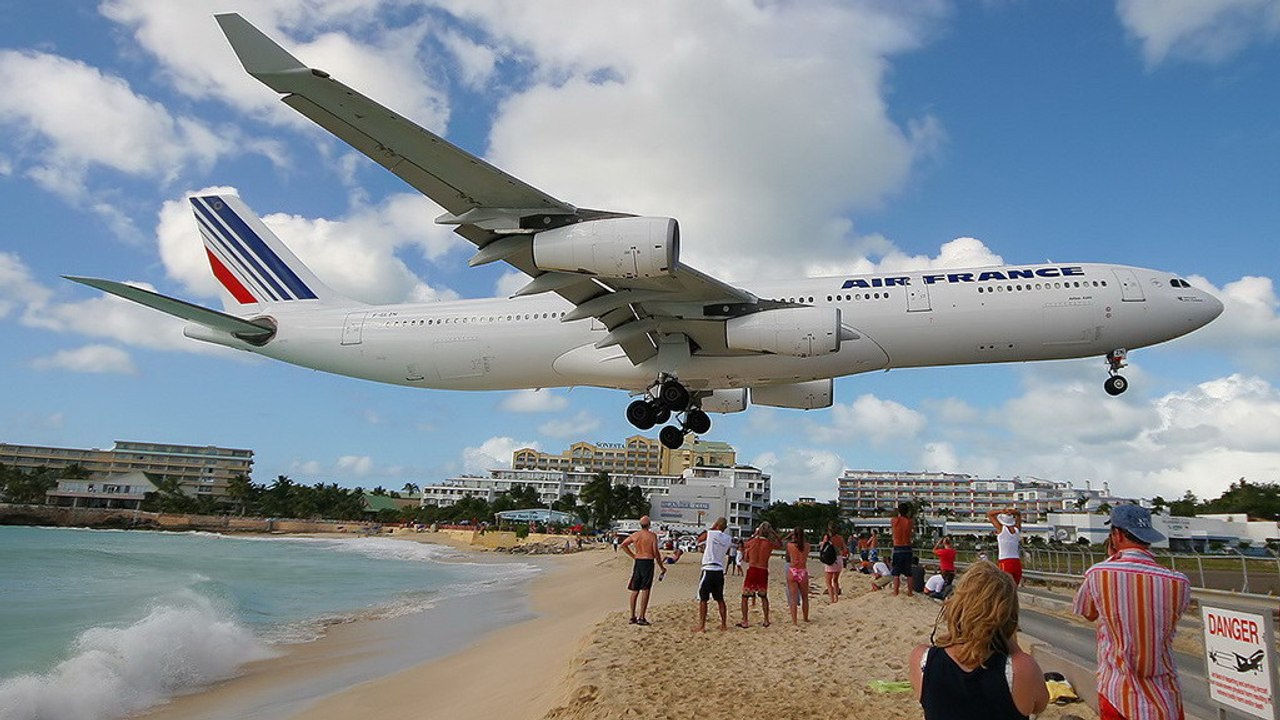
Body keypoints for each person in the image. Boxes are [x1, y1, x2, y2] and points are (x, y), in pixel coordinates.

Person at [1073, 505, 1191, 720]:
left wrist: (1111, 559)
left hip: (1117, 691)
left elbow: (1088, 613)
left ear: (1116, 535)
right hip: (1165, 695)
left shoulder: (1099, 573)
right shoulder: (1179, 581)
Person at [909, 560, 1049, 720]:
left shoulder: (922, 659)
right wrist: (1009, 639)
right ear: (1009, 616)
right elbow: (1039, 705)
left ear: (957, 605)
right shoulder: (1023, 668)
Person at [620, 515, 666, 626]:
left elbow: (623, 544)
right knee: (645, 589)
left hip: (638, 561)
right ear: (649, 525)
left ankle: (632, 616)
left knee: (635, 589)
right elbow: (655, 552)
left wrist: (634, 555)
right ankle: (641, 616)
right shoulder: (652, 536)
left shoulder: (636, 535)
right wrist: (661, 566)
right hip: (647, 562)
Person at [737, 521, 782, 628]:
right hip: (763, 569)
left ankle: (745, 621)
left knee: (745, 596)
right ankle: (766, 620)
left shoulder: (752, 542)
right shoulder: (769, 544)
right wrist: (775, 534)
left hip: (752, 569)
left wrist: (754, 535)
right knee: (763, 596)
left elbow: (743, 546)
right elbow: (780, 545)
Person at [693, 517, 733, 633]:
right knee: (720, 598)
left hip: (708, 568)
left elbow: (699, 539)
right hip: (719, 569)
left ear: (717, 524)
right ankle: (724, 624)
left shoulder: (710, 533)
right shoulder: (728, 538)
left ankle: (702, 625)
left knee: (703, 599)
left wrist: (712, 527)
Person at [988, 507, 1023, 585]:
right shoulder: (1016, 530)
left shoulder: (1001, 529)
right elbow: (1019, 515)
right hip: (1016, 561)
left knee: (1004, 586)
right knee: (1014, 587)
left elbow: (990, 514)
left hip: (1005, 561)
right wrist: (1013, 512)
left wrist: (1002, 511)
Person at [786, 526, 811, 624]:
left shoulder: (790, 546)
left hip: (793, 570)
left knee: (793, 598)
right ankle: (805, 618)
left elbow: (788, 556)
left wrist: (789, 536)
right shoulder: (807, 546)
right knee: (805, 597)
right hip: (802, 571)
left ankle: (794, 621)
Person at [820, 522, 849, 603]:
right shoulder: (840, 538)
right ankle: (836, 598)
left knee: (828, 582)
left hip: (830, 559)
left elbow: (823, 548)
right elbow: (845, 549)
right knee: (835, 580)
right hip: (839, 559)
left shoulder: (827, 537)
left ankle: (832, 599)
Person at [891, 502, 915, 596]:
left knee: (896, 573)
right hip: (907, 547)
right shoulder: (909, 522)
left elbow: (893, 522)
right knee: (909, 573)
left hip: (898, 547)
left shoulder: (894, 520)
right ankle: (910, 592)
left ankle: (895, 592)